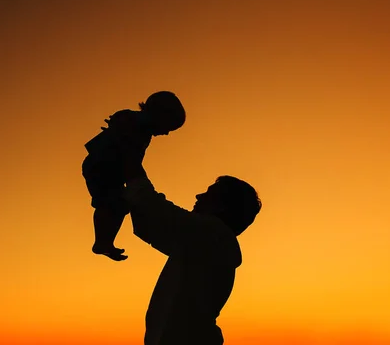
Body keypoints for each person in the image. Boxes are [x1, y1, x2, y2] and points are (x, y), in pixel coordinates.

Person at [120, 145, 262, 344]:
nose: (198, 196)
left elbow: (156, 210)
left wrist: (130, 163)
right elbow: (151, 224)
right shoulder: (205, 242)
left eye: (208, 194)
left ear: (221, 206)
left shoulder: (214, 234)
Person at [82, 91, 186, 261]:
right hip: (100, 166)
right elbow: (122, 122)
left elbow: (132, 160)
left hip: (112, 170)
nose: (166, 133)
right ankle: (102, 241)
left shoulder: (142, 130)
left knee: (120, 204)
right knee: (109, 202)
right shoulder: (134, 122)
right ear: (158, 114)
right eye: (168, 127)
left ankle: (104, 241)